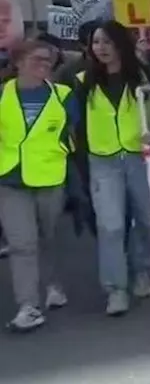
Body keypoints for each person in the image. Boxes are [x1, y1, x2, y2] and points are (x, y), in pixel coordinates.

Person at [75, 21, 150, 316]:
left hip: (139, 156)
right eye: (96, 42)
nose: (101, 48)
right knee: (111, 226)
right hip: (102, 161)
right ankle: (116, 289)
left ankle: (143, 270)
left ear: (120, 44)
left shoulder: (143, 75)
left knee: (145, 219)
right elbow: (76, 125)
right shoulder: (82, 80)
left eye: (107, 42)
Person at [0, 40, 76, 332]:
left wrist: (64, 148)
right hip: (10, 179)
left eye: (49, 61)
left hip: (50, 177)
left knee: (49, 236)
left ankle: (52, 283)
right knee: (22, 243)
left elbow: (74, 133)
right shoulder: (2, 94)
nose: (44, 64)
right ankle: (28, 306)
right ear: (18, 62)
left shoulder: (64, 95)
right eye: (38, 59)